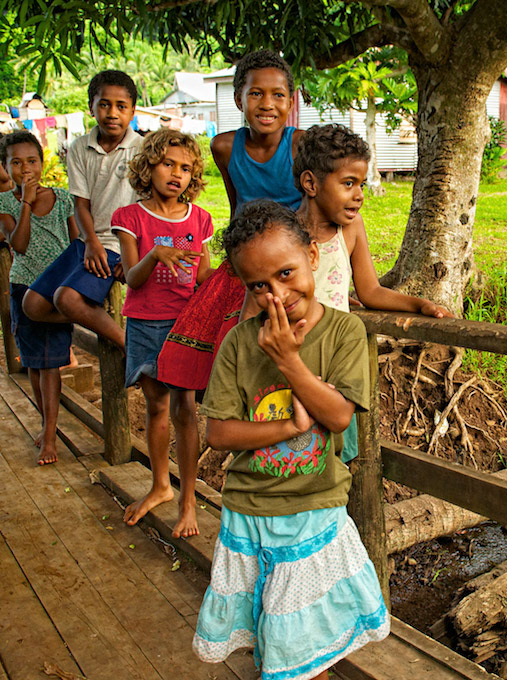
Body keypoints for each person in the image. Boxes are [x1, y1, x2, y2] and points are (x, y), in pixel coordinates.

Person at [192, 199, 389, 679]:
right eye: (259, 286)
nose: (276, 294)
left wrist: (288, 361)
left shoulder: (344, 332)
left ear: (314, 259)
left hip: (312, 508)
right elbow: (218, 432)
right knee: (274, 637)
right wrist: (286, 428)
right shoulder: (239, 343)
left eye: (285, 273)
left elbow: (339, 415)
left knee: (301, 646)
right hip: (247, 513)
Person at [288, 123, 452, 461]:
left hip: (337, 360)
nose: (359, 194)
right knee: (291, 450)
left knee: (336, 453)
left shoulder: (351, 230)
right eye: (348, 184)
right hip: (292, 357)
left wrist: (418, 304)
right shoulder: (283, 234)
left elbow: (371, 291)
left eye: (361, 184)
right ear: (311, 183)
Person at [156, 50, 304, 392]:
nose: (267, 104)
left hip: (291, 260)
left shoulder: (299, 145)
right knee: (227, 342)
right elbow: (237, 204)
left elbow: (316, 209)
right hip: (245, 259)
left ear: (291, 101)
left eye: (278, 95)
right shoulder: (224, 147)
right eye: (256, 94)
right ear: (239, 99)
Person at [111, 129, 213, 538]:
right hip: (146, 323)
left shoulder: (199, 218)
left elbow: (203, 276)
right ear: (147, 166)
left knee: (185, 409)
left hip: (184, 326)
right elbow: (131, 279)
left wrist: (228, 278)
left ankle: (188, 499)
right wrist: (156, 253)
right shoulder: (130, 218)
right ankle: (160, 486)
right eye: (168, 164)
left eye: (186, 168)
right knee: (156, 407)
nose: (177, 174)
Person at [21, 70, 142, 352]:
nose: (112, 113)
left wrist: (131, 255)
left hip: (119, 243)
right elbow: (81, 204)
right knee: (33, 305)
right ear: (91, 107)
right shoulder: (79, 147)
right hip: (87, 240)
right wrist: (90, 242)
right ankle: (95, 315)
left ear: (132, 111)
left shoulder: (142, 149)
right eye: (104, 104)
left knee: (68, 299)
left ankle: (127, 343)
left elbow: (146, 208)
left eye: (121, 106)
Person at [0, 131, 78, 466]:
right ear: (5, 166)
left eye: (32, 161)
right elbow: (20, 244)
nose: (25, 168)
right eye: (16, 162)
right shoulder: (1, 203)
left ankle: (51, 434)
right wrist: (25, 201)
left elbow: (73, 244)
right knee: (35, 366)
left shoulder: (62, 198)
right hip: (25, 287)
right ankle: (47, 424)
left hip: (56, 291)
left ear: (42, 163)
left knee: (52, 364)